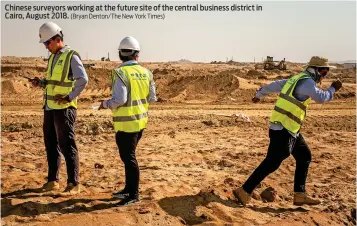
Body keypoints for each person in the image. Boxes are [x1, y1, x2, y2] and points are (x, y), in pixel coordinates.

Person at [233, 56, 342, 206]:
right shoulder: (307, 82)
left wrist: (260, 95)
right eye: (325, 72)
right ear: (317, 70)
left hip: (289, 128)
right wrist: (333, 89)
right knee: (273, 161)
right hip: (284, 128)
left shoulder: (296, 78)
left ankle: (299, 194)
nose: (326, 75)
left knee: (304, 156)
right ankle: (244, 191)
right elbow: (321, 97)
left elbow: (274, 85)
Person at [98, 36, 157, 206]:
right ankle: (128, 190)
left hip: (126, 124)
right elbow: (152, 98)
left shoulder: (120, 73)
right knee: (128, 157)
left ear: (120, 55)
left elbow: (120, 99)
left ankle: (133, 194)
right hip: (140, 122)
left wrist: (104, 104)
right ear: (136, 54)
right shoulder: (147, 73)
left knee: (129, 158)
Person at [31, 22, 88, 194]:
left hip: (65, 109)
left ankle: (73, 183)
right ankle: (52, 181)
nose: (46, 47)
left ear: (57, 39)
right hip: (49, 107)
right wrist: (41, 83)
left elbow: (83, 80)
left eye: (48, 43)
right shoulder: (53, 57)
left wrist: (69, 97)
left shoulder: (71, 56)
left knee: (67, 144)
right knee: (50, 143)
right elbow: (54, 82)